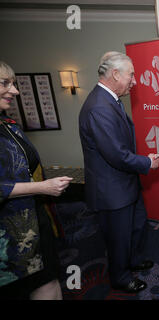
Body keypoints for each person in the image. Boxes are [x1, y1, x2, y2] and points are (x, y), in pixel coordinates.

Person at [79, 52, 159, 293]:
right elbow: (115, 153)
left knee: (135, 228)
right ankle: (121, 277)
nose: (134, 81)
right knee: (118, 237)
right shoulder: (98, 107)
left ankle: (132, 261)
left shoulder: (110, 100)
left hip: (124, 183)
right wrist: (146, 162)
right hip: (111, 189)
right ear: (115, 74)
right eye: (131, 75)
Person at [0, 61, 72, 299]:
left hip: (32, 215)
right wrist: (42, 187)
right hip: (9, 231)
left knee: (47, 279)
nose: (15, 91)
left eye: (14, 83)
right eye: (5, 83)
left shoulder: (8, 124)